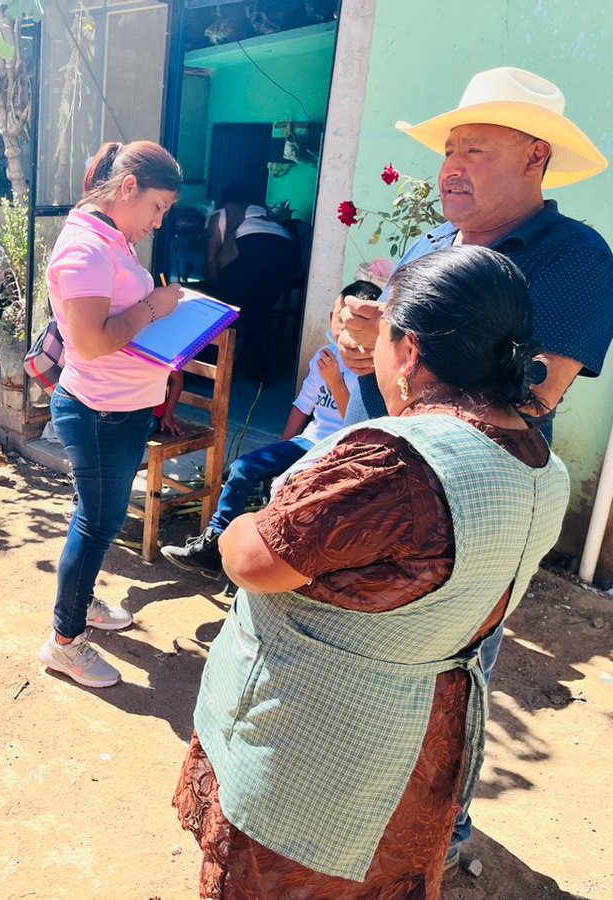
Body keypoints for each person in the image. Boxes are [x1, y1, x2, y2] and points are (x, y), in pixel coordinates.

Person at [174, 246, 570, 899]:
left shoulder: (394, 462)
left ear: (409, 352)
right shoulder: (537, 465)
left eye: (382, 340)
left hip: (318, 750)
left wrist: (242, 522)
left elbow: (252, 560)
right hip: (418, 743)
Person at [334, 66, 613, 869]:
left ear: (536, 157)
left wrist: (407, 361)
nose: (450, 164)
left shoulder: (573, 259)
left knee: (454, 673)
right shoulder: (430, 246)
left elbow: (535, 396)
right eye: (449, 147)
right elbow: (381, 366)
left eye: (475, 148)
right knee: (367, 664)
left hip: (476, 506)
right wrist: (363, 336)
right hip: (380, 479)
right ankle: (363, 818)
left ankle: (442, 833)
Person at [39, 140, 184, 689]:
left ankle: (83, 602)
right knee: (97, 523)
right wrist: (157, 307)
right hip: (100, 414)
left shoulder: (112, 241)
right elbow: (94, 342)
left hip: (122, 410)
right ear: (128, 189)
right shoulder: (85, 250)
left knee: (95, 519)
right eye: (157, 207)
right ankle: (64, 642)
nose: (159, 220)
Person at [160, 280, 380, 577]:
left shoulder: (371, 370)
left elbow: (356, 425)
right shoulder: (324, 357)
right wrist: (281, 448)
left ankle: (272, 562)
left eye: (347, 320)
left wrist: (336, 383)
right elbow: (302, 406)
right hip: (309, 443)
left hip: (340, 449)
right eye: (336, 317)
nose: (339, 327)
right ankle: (213, 543)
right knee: (243, 468)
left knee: (290, 488)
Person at [205, 184, 298, 380]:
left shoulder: (221, 213)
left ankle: (213, 368)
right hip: (285, 251)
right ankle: (260, 374)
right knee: (261, 312)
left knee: (226, 311)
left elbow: (212, 258)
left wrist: (215, 291)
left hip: (253, 246)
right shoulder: (261, 211)